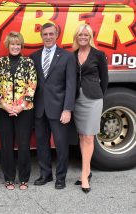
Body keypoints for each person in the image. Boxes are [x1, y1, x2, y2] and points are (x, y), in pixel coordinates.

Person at [30, 23, 76, 189]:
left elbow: (71, 85)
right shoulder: (33, 57)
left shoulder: (67, 56)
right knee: (41, 143)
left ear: (57, 35)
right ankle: (45, 174)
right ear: (41, 36)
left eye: (51, 34)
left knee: (61, 144)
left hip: (59, 109)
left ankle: (61, 177)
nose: (48, 37)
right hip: (39, 109)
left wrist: (67, 109)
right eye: (45, 34)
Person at [0, 32, 37, 190]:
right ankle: (9, 178)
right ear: (8, 45)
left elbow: (32, 86)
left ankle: (24, 178)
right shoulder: (1, 62)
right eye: (12, 44)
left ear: (21, 45)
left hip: (24, 110)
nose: (15, 47)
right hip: (5, 110)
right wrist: (4, 105)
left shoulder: (28, 63)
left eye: (18, 44)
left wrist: (21, 106)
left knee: (23, 144)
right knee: (6, 145)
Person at [72, 24, 108, 193]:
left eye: (86, 35)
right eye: (80, 35)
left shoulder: (99, 55)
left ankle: (85, 175)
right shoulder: (72, 55)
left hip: (93, 99)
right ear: (76, 37)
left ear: (90, 37)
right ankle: (87, 170)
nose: (83, 38)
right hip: (77, 100)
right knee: (81, 135)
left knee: (88, 137)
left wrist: (99, 96)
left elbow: (105, 80)